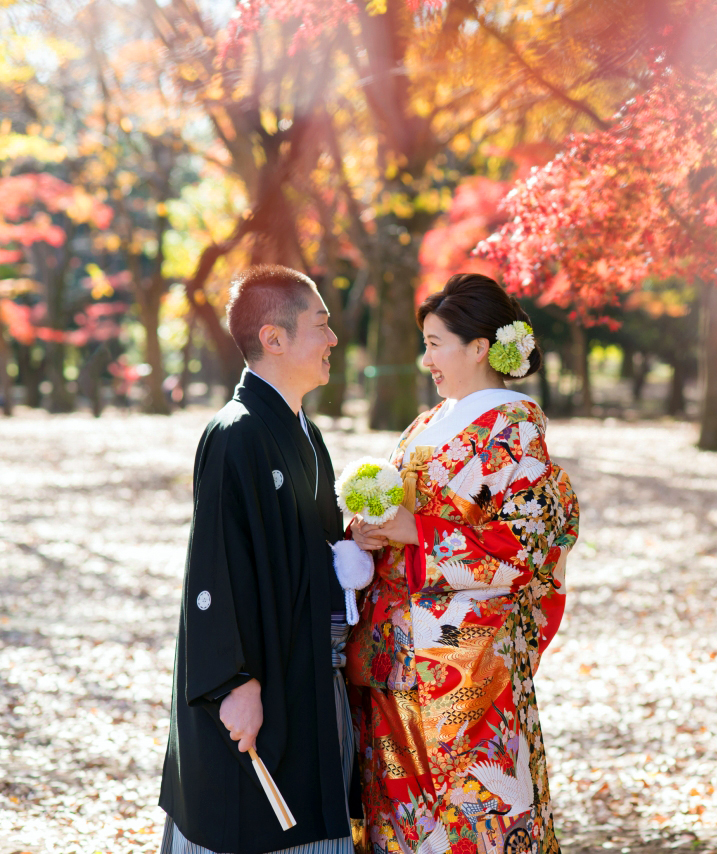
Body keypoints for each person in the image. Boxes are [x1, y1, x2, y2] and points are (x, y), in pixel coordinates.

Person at [345, 273, 579, 854]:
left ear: (479, 348)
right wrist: (372, 531)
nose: (425, 359)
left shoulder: (515, 428)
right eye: (424, 343)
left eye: (434, 342)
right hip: (394, 653)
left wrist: (417, 532)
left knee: (477, 807)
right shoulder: (428, 423)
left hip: (467, 657)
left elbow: (525, 545)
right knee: (398, 812)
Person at [159, 265, 357, 854]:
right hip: (257, 674)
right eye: (321, 325)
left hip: (307, 666)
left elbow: (311, 546)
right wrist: (233, 681)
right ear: (274, 338)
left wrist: (353, 544)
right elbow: (212, 566)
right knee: (245, 818)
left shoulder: (305, 432)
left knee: (307, 810)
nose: (333, 339)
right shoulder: (235, 433)